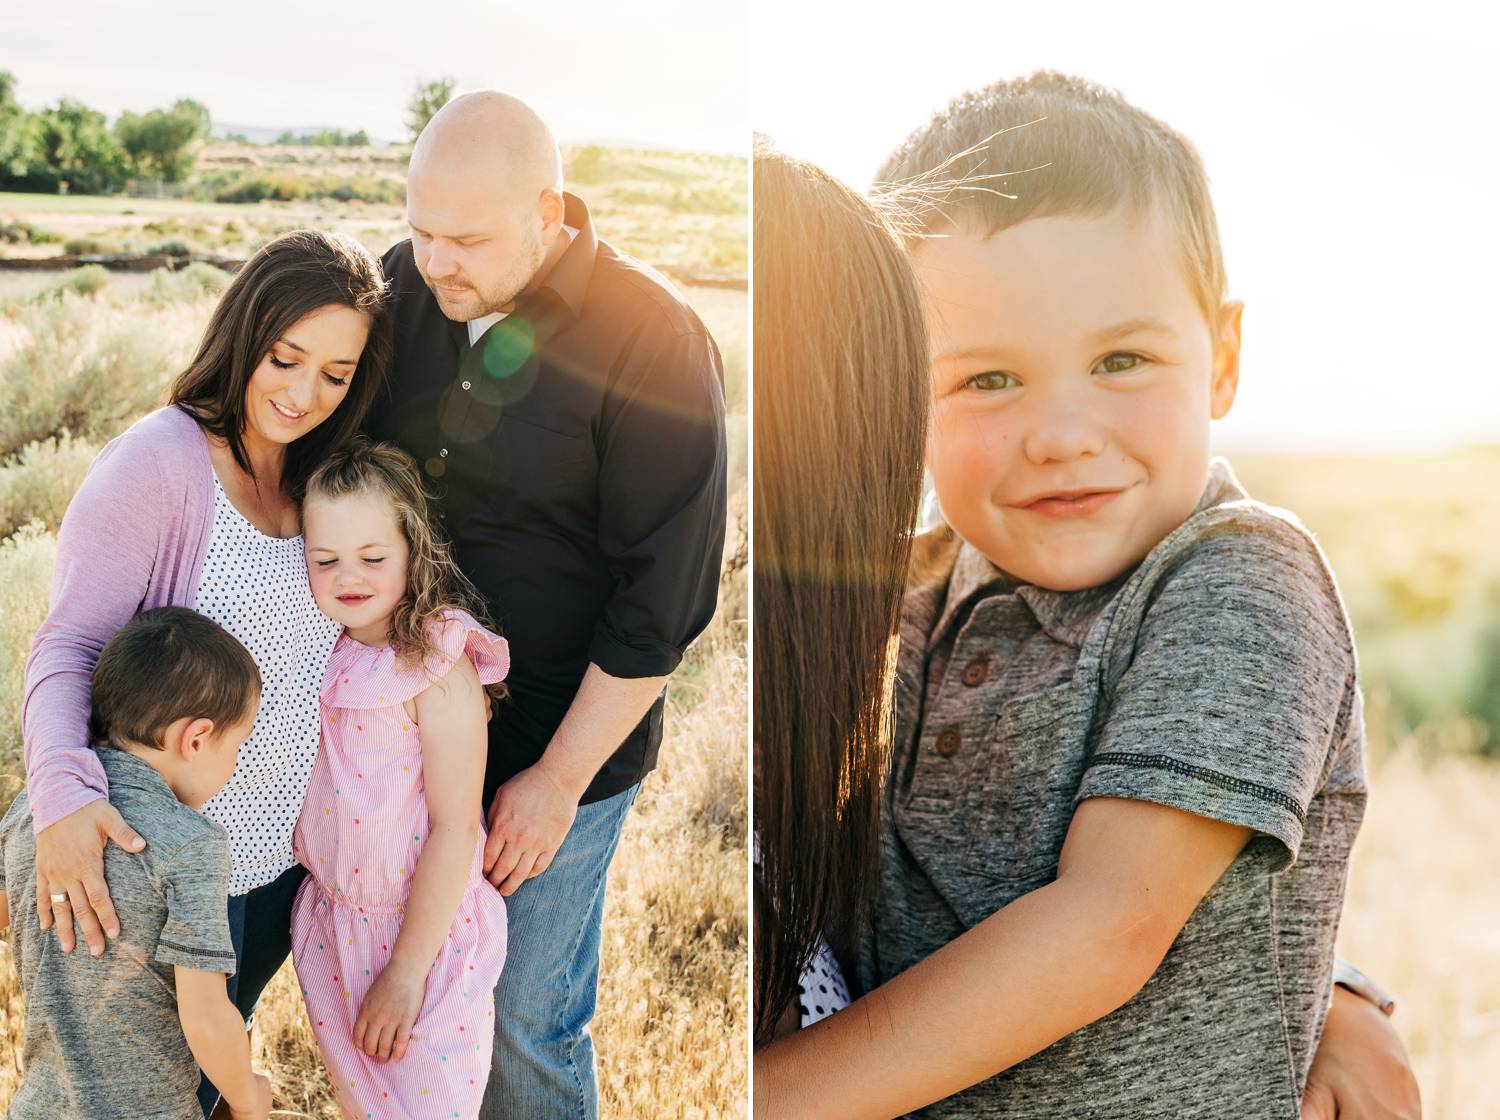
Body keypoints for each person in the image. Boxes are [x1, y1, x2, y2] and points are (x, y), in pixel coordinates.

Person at [751, 102, 1420, 1119]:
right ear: (901, 394)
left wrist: (762, 1098)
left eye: (1120, 361)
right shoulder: (907, 592)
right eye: (986, 378)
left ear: (1224, 358)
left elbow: (1107, 926)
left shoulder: (1239, 577)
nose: (1060, 432)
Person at [373, 90, 727, 1117]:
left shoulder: (652, 339)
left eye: (470, 239)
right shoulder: (403, 289)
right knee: (415, 992)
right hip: (405, 728)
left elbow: (663, 597)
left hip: (554, 739)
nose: (438, 262)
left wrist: (556, 781)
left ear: (549, 209)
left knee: (526, 1021)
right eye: (421, 229)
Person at [19, 229, 390, 1116]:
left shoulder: (318, 478)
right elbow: (65, 648)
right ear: (244, 334)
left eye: (335, 375)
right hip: (158, 872)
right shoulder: (158, 466)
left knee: (204, 1093)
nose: (304, 394)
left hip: (272, 872)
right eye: (285, 358)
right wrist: (62, 797)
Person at [290, 439, 509, 1120]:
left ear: (413, 548)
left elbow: (455, 826)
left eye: (373, 557)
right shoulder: (313, 643)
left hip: (425, 939)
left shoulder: (438, 666)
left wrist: (406, 972)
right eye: (325, 560)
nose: (348, 575)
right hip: (332, 926)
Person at [1, 608, 271, 1120]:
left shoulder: (35, 813)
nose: (234, 766)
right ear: (195, 738)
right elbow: (206, 1015)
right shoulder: (192, 843)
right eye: (236, 747)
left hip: (38, 1105)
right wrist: (248, 1097)